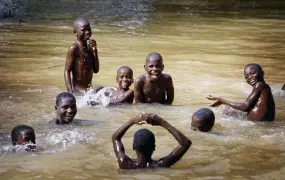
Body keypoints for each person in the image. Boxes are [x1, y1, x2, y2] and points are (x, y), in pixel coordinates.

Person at [112, 113, 191, 169]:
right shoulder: (161, 165)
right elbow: (185, 143)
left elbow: (115, 138)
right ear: (154, 147)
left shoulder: (125, 164)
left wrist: (132, 121)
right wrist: (162, 122)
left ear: (133, 146)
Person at [207, 63, 275, 121]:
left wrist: (222, 100)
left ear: (262, 73)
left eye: (253, 73)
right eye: (246, 77)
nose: (250, 77)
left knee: (227, 111)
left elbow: (245, 107)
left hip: (256, 123)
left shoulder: (259, 85)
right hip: (257, 122)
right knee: (229, 111)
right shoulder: (263, 87)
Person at [64, 18, 99, 94]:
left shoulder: (90, 47)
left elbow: (96, 70)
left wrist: (95, 50)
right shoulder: (74, 48)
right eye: (83, 30)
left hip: (89, 91)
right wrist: (70, 91)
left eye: (89, 29)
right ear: (75, 32)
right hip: (77, 91)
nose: (87, 32)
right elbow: (67, 71)